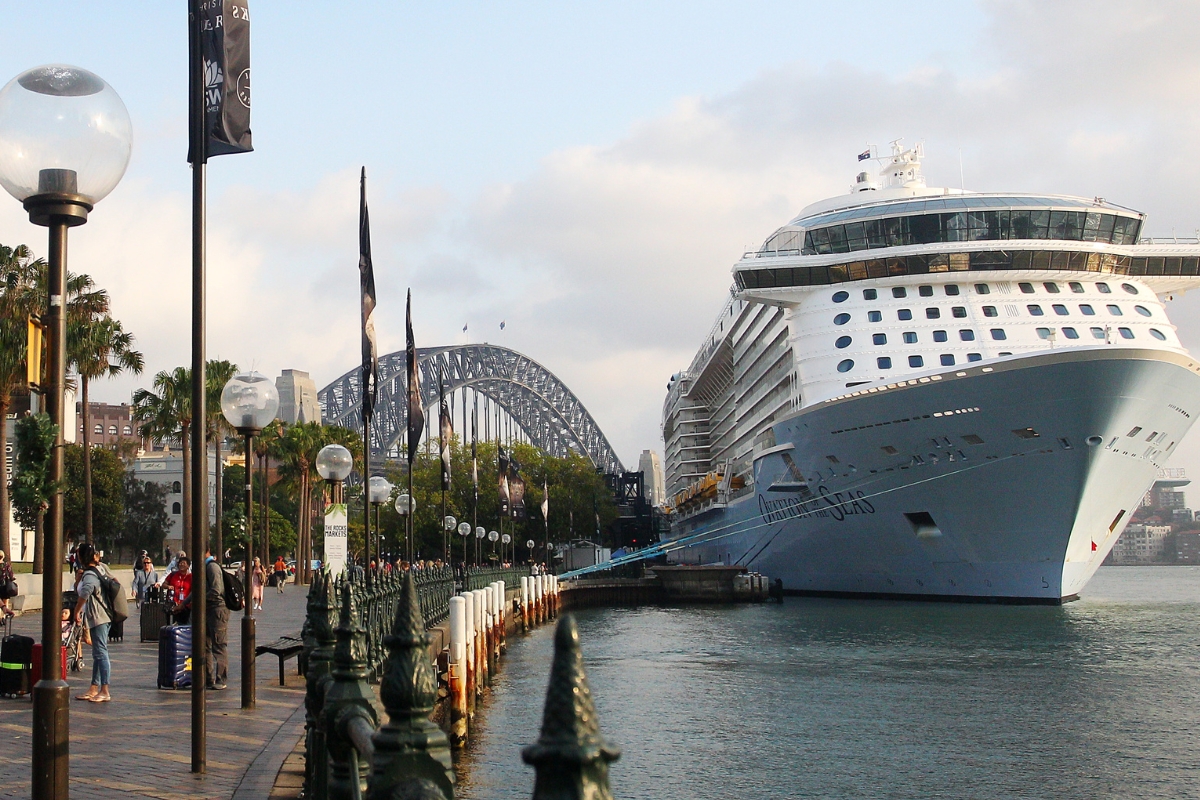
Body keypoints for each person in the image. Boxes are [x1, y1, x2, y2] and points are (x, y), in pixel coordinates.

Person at [73, 543, 113, 702]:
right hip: (106, 614)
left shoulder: (89, 574)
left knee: (101, 652)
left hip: (98, 617)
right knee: (98, 652)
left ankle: (105, 689)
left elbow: (86, 590)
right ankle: (94, 688)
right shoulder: (102, 567)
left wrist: (76, 610)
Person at [203, 548, 229, 690]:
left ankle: (221, 678)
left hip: (218, 609)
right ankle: (208, 677)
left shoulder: (212, 567)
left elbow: (216, 590)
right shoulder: (203, 567)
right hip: (207, 610)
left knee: (219, 645)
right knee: (204, 644)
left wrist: (200, 599)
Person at [165, 556, 192, 625]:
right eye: (180, 563)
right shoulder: (173, 575)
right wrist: (168, 586)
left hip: (186, 606)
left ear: (188, 566)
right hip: (174, 605)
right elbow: (163, 584)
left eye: (184, 563)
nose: (181, 565)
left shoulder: (191, 577)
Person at [0, 550, 15, 618]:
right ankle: (3, 616)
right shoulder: (6, 565)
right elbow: (11, 574)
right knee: (5, 600)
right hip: (5, 586)